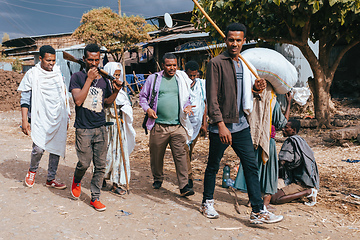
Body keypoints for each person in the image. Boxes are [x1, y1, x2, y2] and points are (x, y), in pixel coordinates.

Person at [201, 23, 283, 224]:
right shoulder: (216, 63)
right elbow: (211, 98)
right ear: (225, 40)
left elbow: (242, 94)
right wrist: (220, 124)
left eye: (238, 40)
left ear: (244, 41)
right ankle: (207, 202)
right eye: (231, 40)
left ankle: (257, 210)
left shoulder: (244, 64)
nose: (234, 43)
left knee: (251, 166)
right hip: (221, 125)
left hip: (241, 125)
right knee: (213, 165)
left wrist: (256, 89)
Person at [69, 44, 123, 211]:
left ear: (100, 59)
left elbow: (106, 103)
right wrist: (90, 79)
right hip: (83, 129)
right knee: (84, 163)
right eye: (90, 60)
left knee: (100, 165)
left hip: (100, 127)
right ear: (84, 59)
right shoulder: (77, 77)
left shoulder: (105, 79)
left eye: (96, 60)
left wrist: (115, 92)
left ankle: (95, 197)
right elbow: (78, 100)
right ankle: (77, 180)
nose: (93, 63)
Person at [139, 53, 195, 197]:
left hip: (177, 126)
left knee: (181, 155)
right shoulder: (154, 79)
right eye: (169, 65)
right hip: (159, 126)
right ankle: (158, 178)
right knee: (156, 156)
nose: (172, 68)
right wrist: (148, 110)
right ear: (163, 65)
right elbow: (143, 97)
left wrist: (187, 107)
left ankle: (184, 186)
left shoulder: (181, 79)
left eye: (174, 65)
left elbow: (186, 98)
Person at [18, 45, 70, 190]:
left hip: (58, 116)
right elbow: (25, 98)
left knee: (56, 148)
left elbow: (63, 96)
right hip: (39, 117)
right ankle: (32, 171)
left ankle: (51, 179)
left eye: (53, 60)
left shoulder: (58, 74)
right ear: (40, 58)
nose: (51, 63)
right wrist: (24, 120)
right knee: (39, 148)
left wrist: (67, 116)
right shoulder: (32, 74)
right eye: (48, 60)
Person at [234, 87, 292, 211]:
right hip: (267, 141)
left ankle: (252, 199)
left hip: (252, 139)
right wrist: (289, 104)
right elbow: (282, 123)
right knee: (269, 171)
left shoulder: (250, 100)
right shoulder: (272, 102)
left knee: (254, 168)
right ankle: (265, 203)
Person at [103, 62, 136, 195]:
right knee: (106, 154)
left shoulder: (122, 93)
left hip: (119, 127)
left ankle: (116, 182)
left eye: (118, 75)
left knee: (119, 155)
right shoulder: (104, 90)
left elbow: (127, 106)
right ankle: (101, 178)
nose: (116, 78)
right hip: (106, 127)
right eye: (114, 75)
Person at [271, 119, 320, 206]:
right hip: (307, 179)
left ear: (293, 130)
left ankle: (308, 192)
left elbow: (282, 162)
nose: (283, 129)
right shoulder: (300, 141)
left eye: (286, 128)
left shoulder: (290, 141)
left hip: (300, 182)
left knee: (274, 198)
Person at [184, 60, 207, 188]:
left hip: (196, 124)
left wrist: (204, 124)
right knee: (184, 150)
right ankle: (188, 177)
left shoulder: (201, 85)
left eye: (194, 75)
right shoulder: (182, 84)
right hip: (183, 123)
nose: (192, 78)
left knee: (189, 150)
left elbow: (204, 104)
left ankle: (186, 172)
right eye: (190, 75)